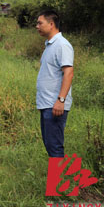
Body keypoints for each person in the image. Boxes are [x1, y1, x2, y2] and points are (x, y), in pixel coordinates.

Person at [35, 10, 74, 158]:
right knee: (50, 145)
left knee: (55, 147)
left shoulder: (62, 45)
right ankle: (55, 181)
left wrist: (61, 100)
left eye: (40, 23)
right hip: (47, 104)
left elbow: (68, 73)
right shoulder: (50, 46)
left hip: (55, 105)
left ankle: (56, 182)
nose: (37, 26)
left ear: (51, 24)